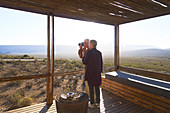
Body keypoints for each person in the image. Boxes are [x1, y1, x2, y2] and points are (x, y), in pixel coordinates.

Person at [82, 40, 103, 108]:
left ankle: (92, 104)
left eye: (89, 44)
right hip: (97, 74)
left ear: (91, 44)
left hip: (90, 73)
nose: (88, 45)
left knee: (91, 88)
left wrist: (83, 55)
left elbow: (84, 62)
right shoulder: (99, 53)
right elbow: (101, 63)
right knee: (97, 88)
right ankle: (98, 103)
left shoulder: (89, 52)